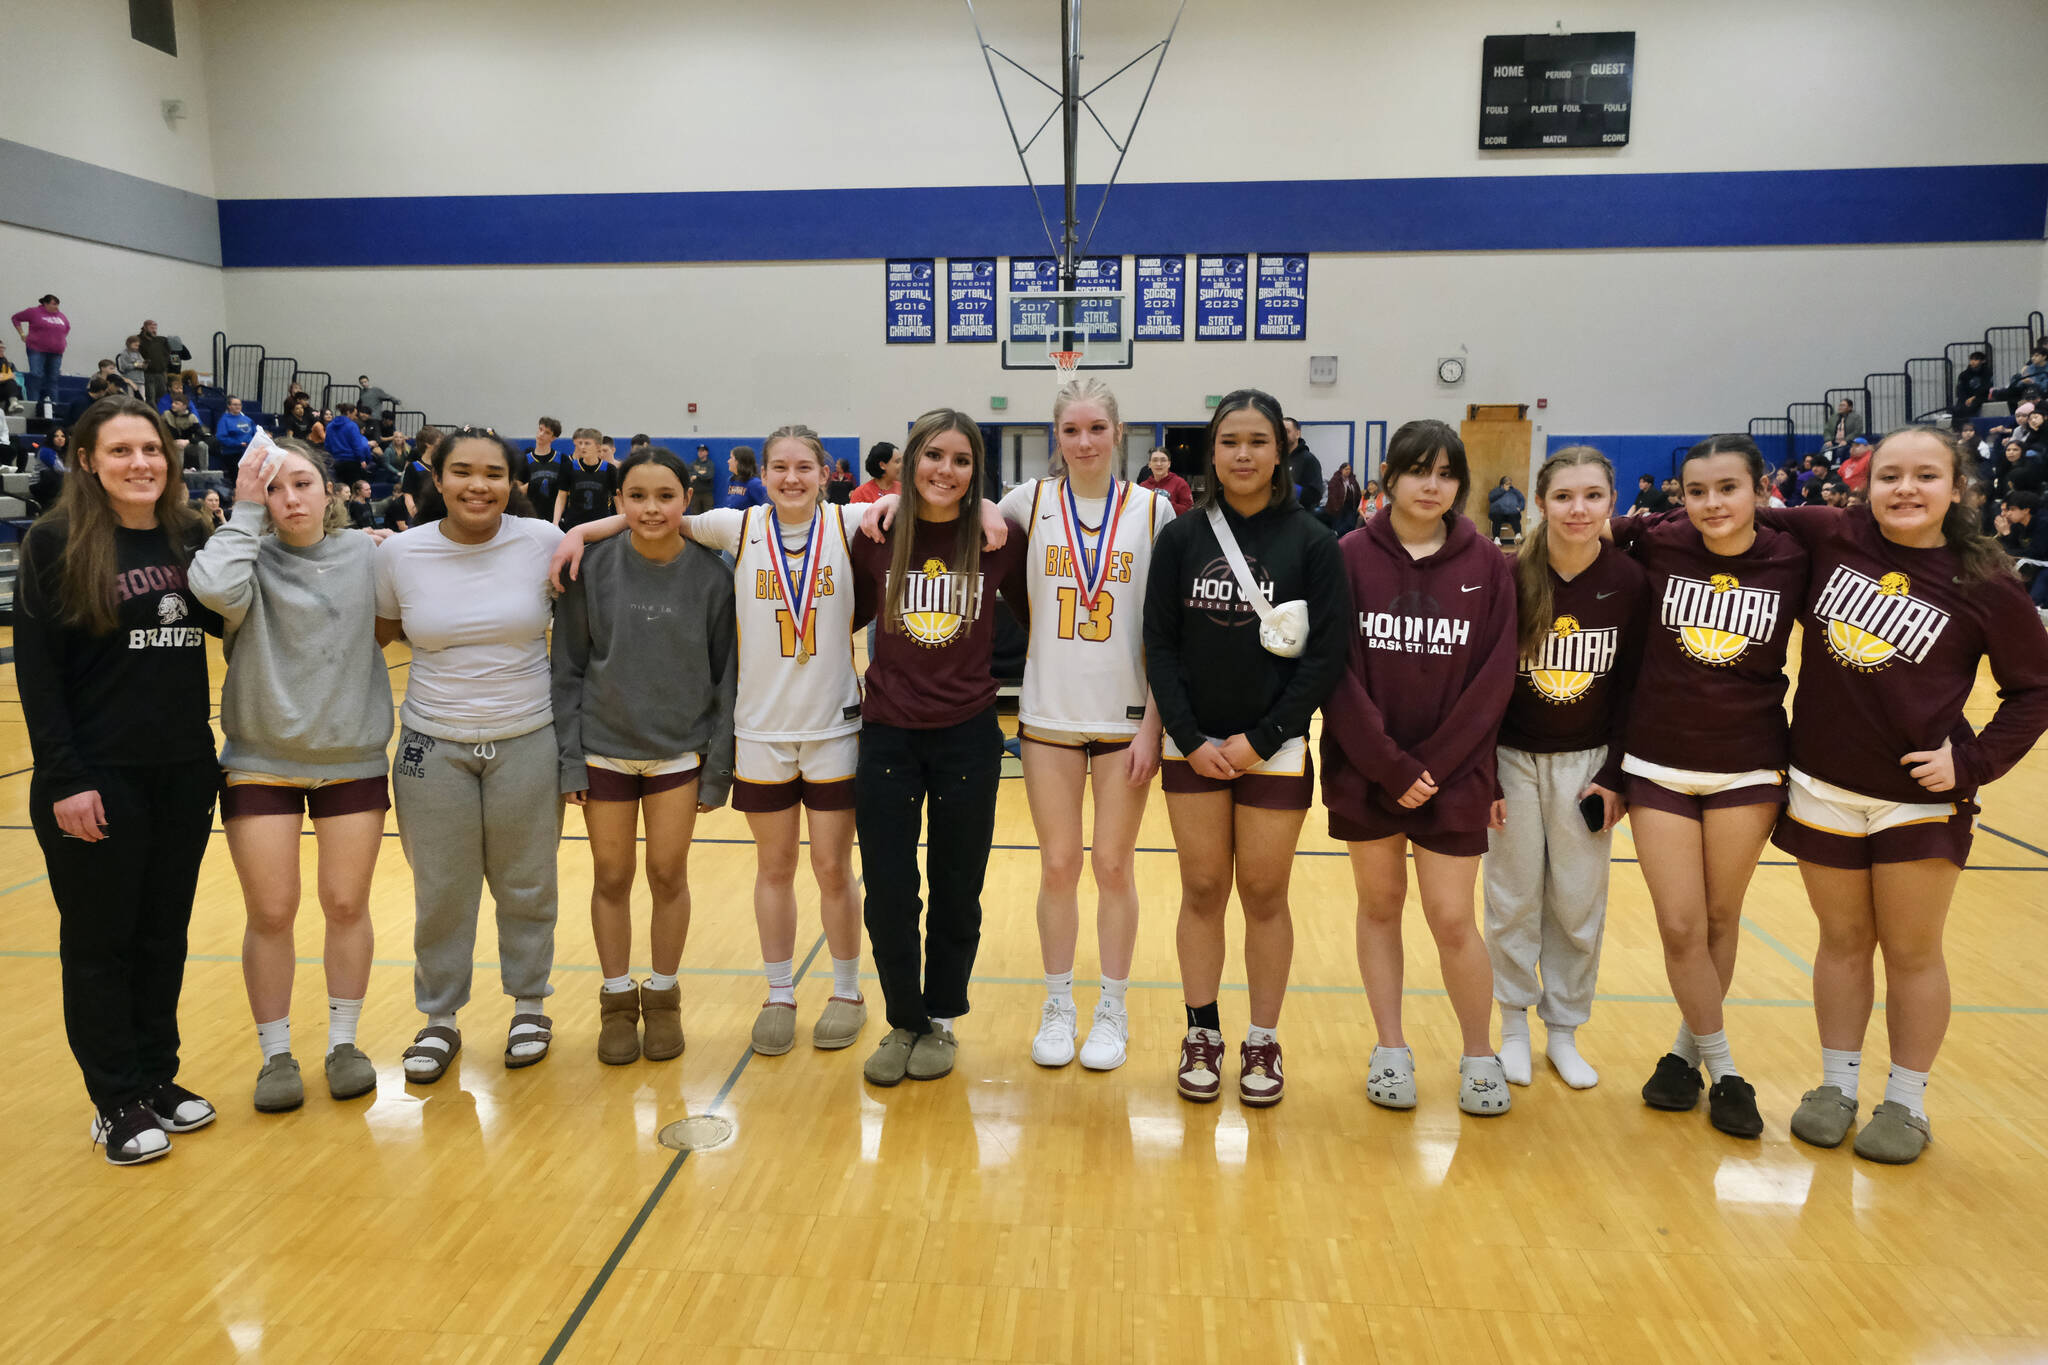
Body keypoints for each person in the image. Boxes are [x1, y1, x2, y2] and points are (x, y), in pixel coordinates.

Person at [1759, 429, 2048, 1164]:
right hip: (1823, 782)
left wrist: (1973, 761)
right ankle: (1835, 1086)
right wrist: (1612, 527)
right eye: (1890, 475)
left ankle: (1908, 1101)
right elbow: (1722, 517)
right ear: (1867, 484)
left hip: (1916, 800)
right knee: (1843, 941)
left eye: (1926, 475)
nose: (1906, 489)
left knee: (1914, 952)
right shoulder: (1832, 532)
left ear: (1958, 489)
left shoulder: (1987, 580)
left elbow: (2033, 689)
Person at [559, 426, 885, 1058]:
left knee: (832, 868)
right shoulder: (737, 527)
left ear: (827, 472)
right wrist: (581, 530)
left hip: (834, 727)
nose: (792, 479)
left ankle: (847, 991)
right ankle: (780, 993)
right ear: (761, 472)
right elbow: (655, 518)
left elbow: (922, 505)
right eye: (780, 467)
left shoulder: (853, 523)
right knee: (775, 867)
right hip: (759, 730)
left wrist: (979, 501)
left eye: (804, 468)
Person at [16, 396, 223, 1165]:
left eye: (153, 449)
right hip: (96, 779)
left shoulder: (188, 536)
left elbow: (236, 619)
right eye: (122, 450)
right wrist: (66, 778)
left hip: (181, 771)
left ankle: (155, 1077)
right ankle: (113, 1098)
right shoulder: (55, 541)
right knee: (102, 941)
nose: (142, 463)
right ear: (86, 460)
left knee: (163, 933)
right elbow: (38, 675)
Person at [1144, 389, 1349, 1107]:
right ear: (1212, 450)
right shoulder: (1180, 538)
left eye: (1257, 440)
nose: (1242, 453)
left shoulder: (1315, 542)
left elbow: (1326, 657)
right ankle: (1202, 1030)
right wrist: (1190, 736)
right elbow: (1160, 644)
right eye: (1229, 440)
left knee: (1264, 893)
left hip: (1277, 748)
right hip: (1192, 747)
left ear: (1281, 450)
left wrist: (1263, 738)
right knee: (1202, 889)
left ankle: (1263, 1035)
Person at [1608, 434, 1809, 1140]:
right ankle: (1725, 1069)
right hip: (1658, 761)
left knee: (1721, 919)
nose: (1712, 502)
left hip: (1749, 764)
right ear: (1679, 497)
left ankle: (1682, 1055)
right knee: (1680, 924)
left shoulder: (1794, 554)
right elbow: (1588, 522)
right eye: (1697, 491)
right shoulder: (1660, 541)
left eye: (1728, 487)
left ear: (1760, 487)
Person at [186, 438, 394, 1113]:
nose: (291, 499)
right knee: (271, 911)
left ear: (330, 489)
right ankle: (275, 1052)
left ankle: (344, 1041)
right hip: (260, 759)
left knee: (344, 904)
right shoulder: (246, 558)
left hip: (349, 757)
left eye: (302, 483)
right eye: (274, 488)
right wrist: (244, 514)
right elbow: (211, 588)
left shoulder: (367, 554)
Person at [1323, 419, 1518, 1116]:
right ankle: (1390, 1048)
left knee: (1451, 917)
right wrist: (1386, 764)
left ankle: (1478, 1053)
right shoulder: (1346, 555)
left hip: (1453, 774)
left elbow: (1494, 679)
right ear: (1390, 476)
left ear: (1461, 484)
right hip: (1366, 768)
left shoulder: (1489, 565)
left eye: (1445, 473)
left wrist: (1428, 767)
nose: (1431, 485)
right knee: (1379, 907)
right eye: (1417, 470)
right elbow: (1335, 669)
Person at [980, 379, 1173, 1073]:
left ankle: (1112, 1006)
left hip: (1127, 720)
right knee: (1059, 864)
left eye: (1096, 428)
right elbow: (954, 505)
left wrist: (1156, 723)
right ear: (1055, 437)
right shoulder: (1025, 502)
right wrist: (883, 506)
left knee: (1114, 865)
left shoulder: (1154, 512)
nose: (1084, 441)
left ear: (1119, 434)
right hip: (1047, 716)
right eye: (1071, 430)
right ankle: (1058, 1002)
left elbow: (1169, 632)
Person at [374, 429, 567, 1081]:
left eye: (492, 473)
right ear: (438, 475)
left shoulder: (542, 543)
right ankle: (439, 1018)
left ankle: (531, 1006)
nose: (476, 484)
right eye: (462, 471)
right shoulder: (400, 553)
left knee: (528, 882)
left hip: (528, 737)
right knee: (442, 889)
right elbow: (375, 632)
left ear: (514, 481)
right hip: (432, 743)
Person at [849, 410, 1027, 1086]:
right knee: (890, 890)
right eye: (933, 455)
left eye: (960, 459)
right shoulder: (875, 531)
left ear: (975, 470)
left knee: (958, 885)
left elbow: (1039, 610)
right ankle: (904, 1020)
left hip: (969, 735)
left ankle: (942, 1016)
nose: (944, 470)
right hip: (889, 730)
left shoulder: (1000, 538)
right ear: (908, 460)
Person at [552, 447, 735, 1065]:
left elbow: (724, 678)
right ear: (618, 501)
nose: (651, 508)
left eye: (665, 496)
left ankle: (661, 997)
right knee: (610, 876)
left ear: (688, 500)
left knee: (666, 873)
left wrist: (718, 767)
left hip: (677, 754)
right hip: (603, 751)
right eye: (637, 496)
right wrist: (569, 760)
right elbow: (569, 668)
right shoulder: (592, 566)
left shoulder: (714, 575)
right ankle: (614, 998)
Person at [1483, 447, 1647, 1092]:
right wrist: (1483, 771)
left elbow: (1636, 687)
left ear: (1612, 503)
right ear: (1539, 503)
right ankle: (1515, 1028)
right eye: (1563, 497)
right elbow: (1484, 682)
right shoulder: (1509, 575)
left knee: (1578, 904)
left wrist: (1617, 775)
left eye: (1593, 497)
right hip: (1512, 759)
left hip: (1589, 764)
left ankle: (1565, 1031)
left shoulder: (1630, 581)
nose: (1578, 510)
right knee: (1512, 898)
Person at [12, 293, 70, 409]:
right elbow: (16, 318)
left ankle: (54, 405)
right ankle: (33, 404)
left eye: (57, 305)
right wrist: (22, 334)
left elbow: (67, 328)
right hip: (37, 350)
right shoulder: (34, 312)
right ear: (45, 304)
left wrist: (58, 340)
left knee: (53, 378)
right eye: (53, 304)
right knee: (36, 375)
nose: (56, 307)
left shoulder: (61, 316)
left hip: (56, 352)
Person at [554, 427, 617, 529]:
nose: (582, 447)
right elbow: (561, 496)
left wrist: (622, 525)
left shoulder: (609, 469)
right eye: (581, 443)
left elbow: (618, 499)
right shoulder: (569, 466)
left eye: (587, 443)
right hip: (574, 524)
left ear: (598, 446)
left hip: (601, 525)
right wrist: (555, 522)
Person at [325, 403, 378, 484]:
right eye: (354, 414)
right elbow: (356, 445)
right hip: (351, 461)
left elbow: (327, 445)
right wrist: (362, 459)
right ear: (349, 412)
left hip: (336, 461)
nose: (355, 417)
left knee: (339, 487)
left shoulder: (330, 426)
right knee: (353, 487)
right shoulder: (352, 425)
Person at [1282, 417, 1325, 512]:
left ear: (1297, 434)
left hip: (1298, 517)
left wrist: (1289, 488)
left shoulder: (1309, 460)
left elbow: (1315, 495)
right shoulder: (1275, 458)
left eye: (1287, 431)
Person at [525, 418, 564, 519]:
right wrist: (532, 484)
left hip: (554, 517)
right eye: (540, 429)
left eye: (547, 432)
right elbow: (516, 491)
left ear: (553, 438)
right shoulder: (524, 459)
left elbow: (566, 492)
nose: (541, 434)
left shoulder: (562, 459)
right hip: (530, 516)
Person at [1138, 447, 1193, 516]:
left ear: (1169, 464)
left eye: (1163, 460)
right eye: (1155, 460)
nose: (1159, 464)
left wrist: (1165, 504)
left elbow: (1189, 511)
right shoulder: (1143, 487)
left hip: (1173, 526)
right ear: (1149, 464)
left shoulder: (1180, 484)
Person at [717, 444, 769, 511]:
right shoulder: (731, 480)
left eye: (731, 458)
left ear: (739, 461)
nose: (728, 461)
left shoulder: (754, 483)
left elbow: (767, 508)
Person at [137, 321, 177, 403]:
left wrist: (164, 364)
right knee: (150, 398)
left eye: (155, 328)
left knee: (161, 398)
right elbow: (134, 355)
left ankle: (160, 414)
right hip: (147, 374)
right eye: (151, 328)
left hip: (161, 373)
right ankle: (153, 415)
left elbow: (168, 352)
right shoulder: (138, 339)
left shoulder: (162, 340)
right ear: (144, 328)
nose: (154, 330)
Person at [215, 396, 256, 465]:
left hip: (248, 452)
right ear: (229, 406)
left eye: (239, 404)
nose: (238, 406)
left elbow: (255, 433)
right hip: (232, 453)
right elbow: (221, 437)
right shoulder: (224, 420)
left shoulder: (247, 419)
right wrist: (238, 443)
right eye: (235, 404)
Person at [1954, 350, 1991, 428]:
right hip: (1966, 398)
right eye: (1971, 360)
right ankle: (1956, 429)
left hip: (1980, 397)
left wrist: (1973, 397)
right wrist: (1965, 399)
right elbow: (1960, 389)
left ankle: (1970, 427)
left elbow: (1986, 388)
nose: (1973, 362)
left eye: (1976, 359)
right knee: (1957, 409)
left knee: (1971, 408)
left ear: (1983, 361)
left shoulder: (1987, 373)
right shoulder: (1964, 374)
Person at [1487, 474, 1526, 543]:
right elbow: (1491, 498)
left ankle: (1518, 535)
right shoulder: (1496, 491)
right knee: (1496, 517)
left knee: (1515, 514)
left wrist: (1520, 508)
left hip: (1511, 513)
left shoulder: (1515, 491)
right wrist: (1502, 490)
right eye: (1507, 483)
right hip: (1498, 513)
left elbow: (1522, 499)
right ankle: (1496, 538)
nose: (1509, 485)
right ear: (1502, 484)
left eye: (1510, 483)